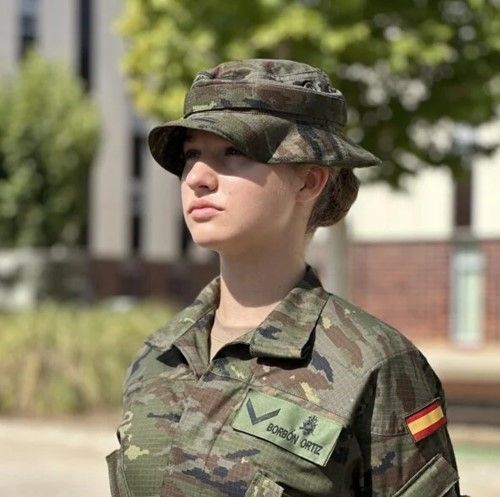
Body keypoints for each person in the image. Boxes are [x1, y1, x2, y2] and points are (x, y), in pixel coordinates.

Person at [106, 59, 466, 497]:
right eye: (191, 155)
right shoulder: (159, 355)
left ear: (309, 180)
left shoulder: (374, 366)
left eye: (233, 152)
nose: (197, 178)